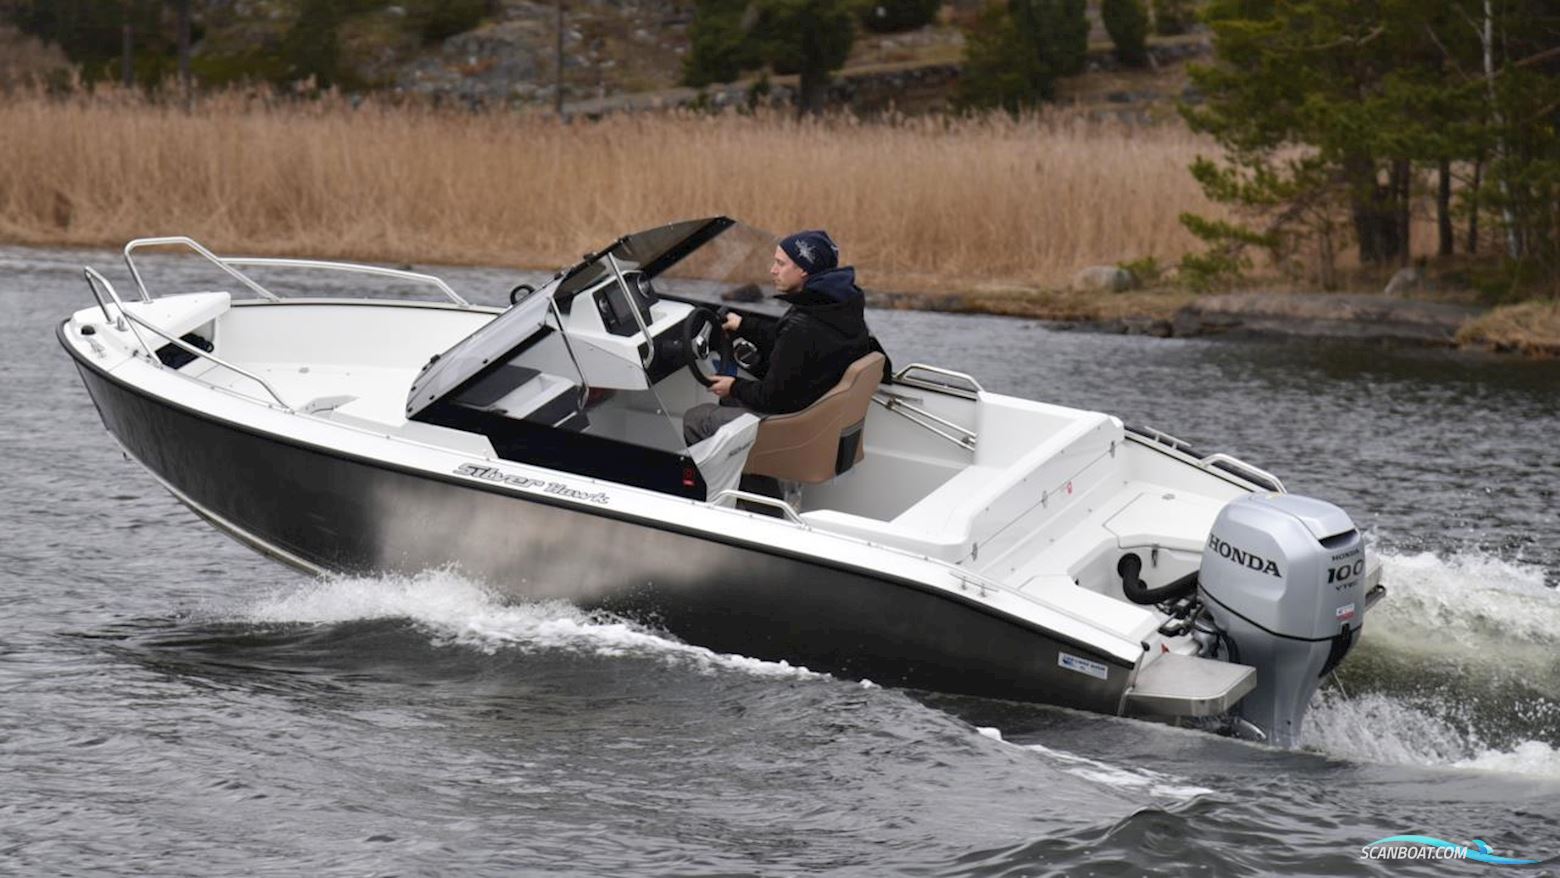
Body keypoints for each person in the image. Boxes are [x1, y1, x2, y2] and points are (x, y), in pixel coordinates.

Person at [682, 229, 878, 446]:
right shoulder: (837, 306)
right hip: (818, 415)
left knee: (696, 419)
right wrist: (744, 325)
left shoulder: (803, 326)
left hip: (793, 424)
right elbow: (792, 342)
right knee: (730, 399)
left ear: (804, 269)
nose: (772, 270)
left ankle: (730, 478)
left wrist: (734, 386)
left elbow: (773, 398)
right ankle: (752, 475)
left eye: (781, 264)